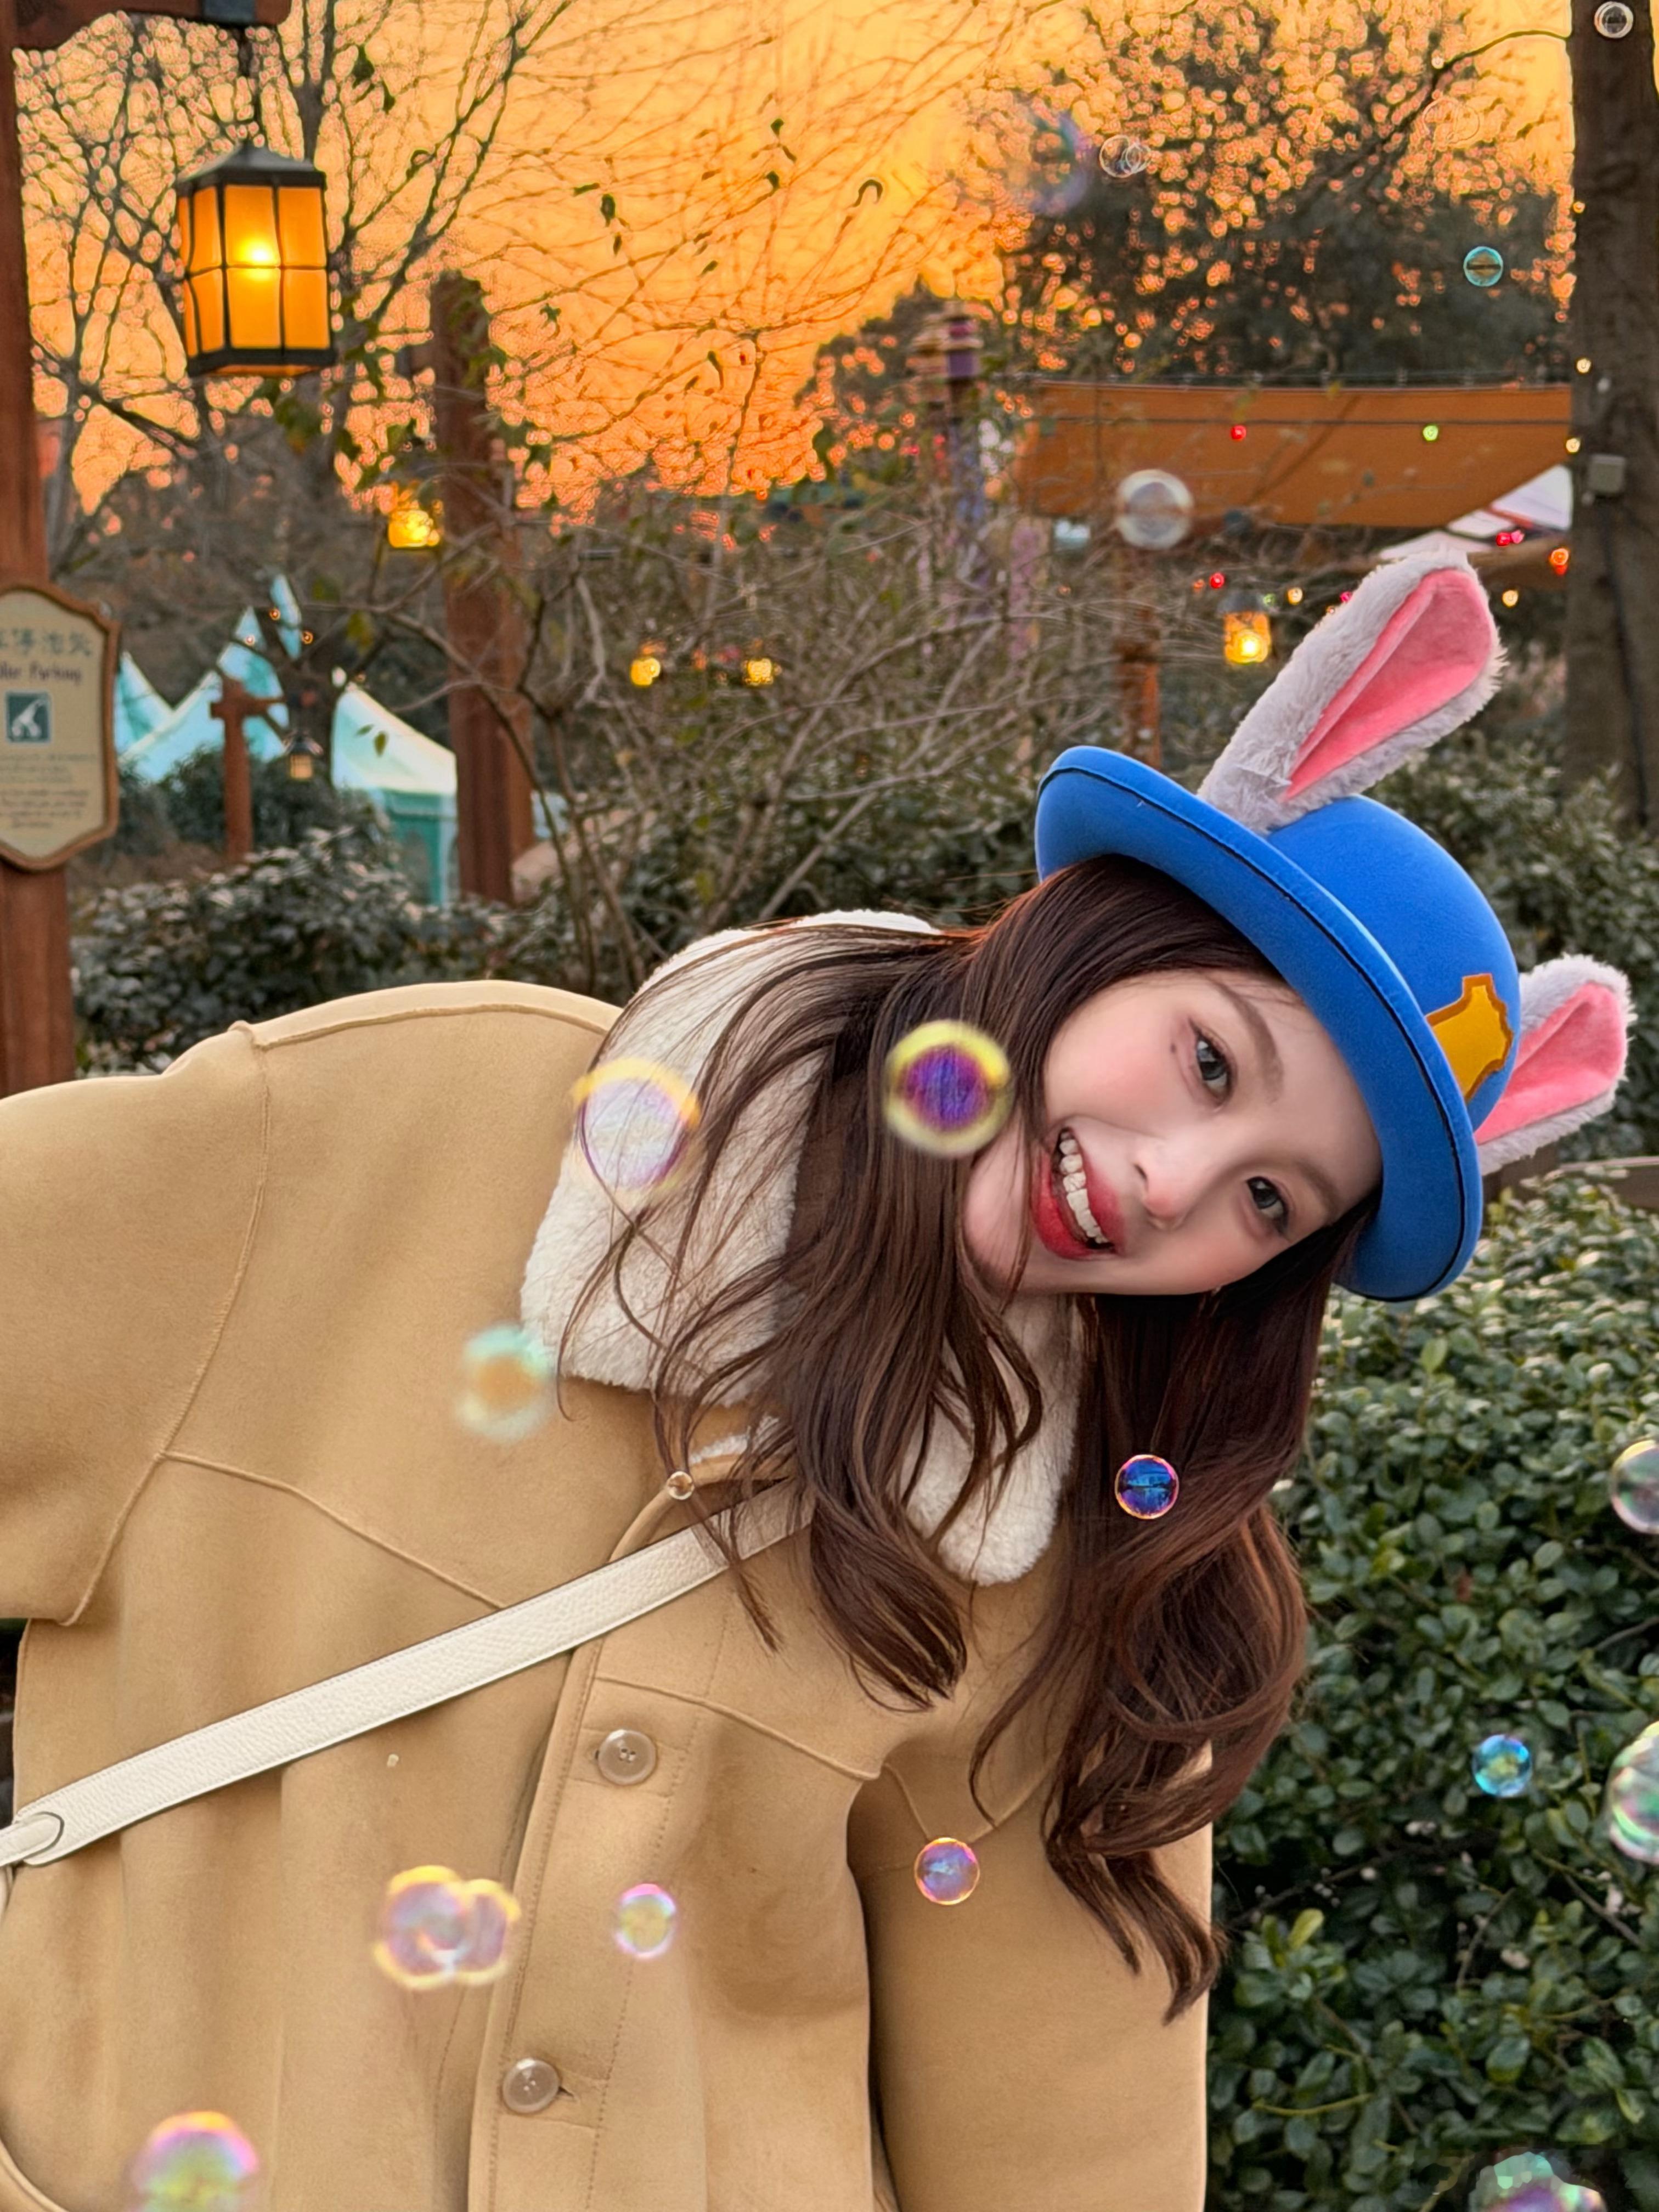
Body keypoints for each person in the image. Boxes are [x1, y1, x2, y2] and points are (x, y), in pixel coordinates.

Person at [0, 551, 1631, 2212]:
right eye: (1211, 1059)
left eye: (1272, 1200)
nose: (1176, 1183)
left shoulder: (1086, 1563)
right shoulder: (383, 1129)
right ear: (1096, 940)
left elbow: (1065, 2155)